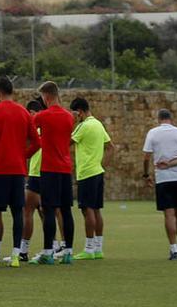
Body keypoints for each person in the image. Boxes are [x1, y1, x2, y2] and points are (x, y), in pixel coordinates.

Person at [0, 77, 39, 268]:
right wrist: (23, 156)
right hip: (18, 169)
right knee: (17, 211)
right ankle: (15, 255)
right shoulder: (24, 112)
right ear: (13, 91)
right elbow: (37, 142)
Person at [27, 82, 76, 265]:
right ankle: (68, 251)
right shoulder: (69, 116)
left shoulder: (42, 116)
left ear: (46, 97)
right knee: (66, 210)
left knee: (48, 210)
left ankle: (48, 251)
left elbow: (30, 132)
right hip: (65, 169)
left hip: (49, 168)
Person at [143, 109, 177, 260]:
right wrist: (173, 164)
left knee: (169, 214)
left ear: (159, 119)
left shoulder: (153, 133)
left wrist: (146, 175)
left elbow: (146, 157)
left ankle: (173, 249)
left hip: (163, 178)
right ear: (171, 119)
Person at [69, 97, 115, 261]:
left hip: (86, 173)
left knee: (86, 209)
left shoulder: (83, 126)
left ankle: (89, 248)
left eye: (75, 114)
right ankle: (98, 248)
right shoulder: (98, 124)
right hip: (97, 171)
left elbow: (67, 142)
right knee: (96, 209)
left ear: (79, 112)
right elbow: (111, 147)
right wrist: (102, 165)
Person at [20, 99, 44, 262]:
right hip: (50, 171)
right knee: (48, 212)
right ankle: (58, 246)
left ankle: (23, 250)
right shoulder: (49, 126)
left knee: (27, 211)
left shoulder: (36, 128)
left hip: (38, 172)